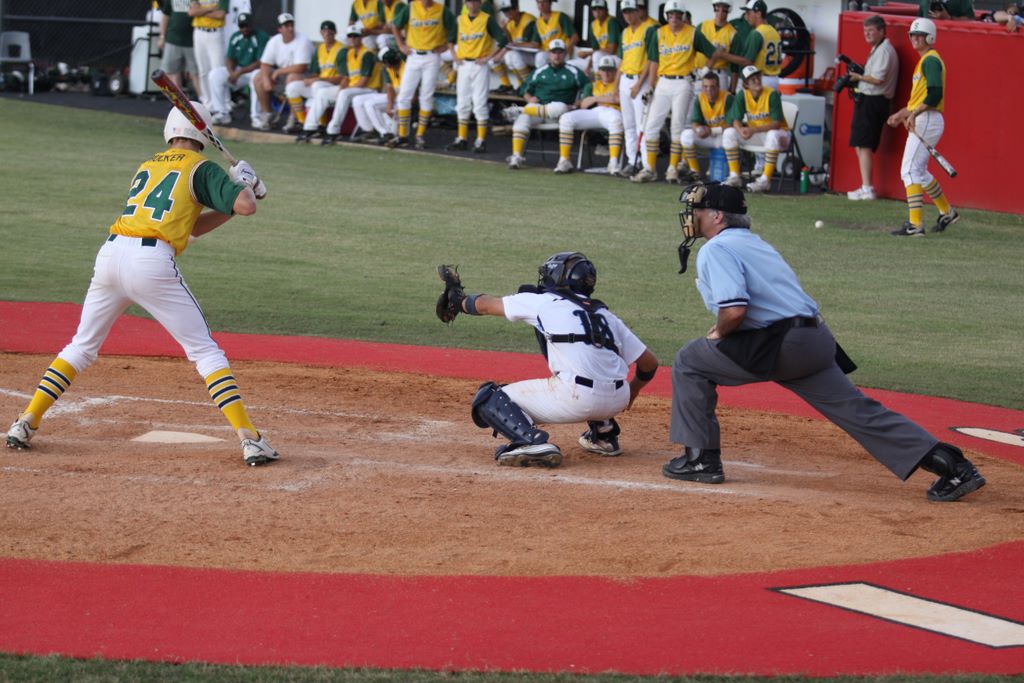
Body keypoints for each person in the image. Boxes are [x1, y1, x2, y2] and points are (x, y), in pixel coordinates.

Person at [664, 182, 986, 502]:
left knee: (691, 361)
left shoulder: (717, 249)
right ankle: (952, 466)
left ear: (718, 216)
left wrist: (720, 332)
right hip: (814, 340)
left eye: (698, 209)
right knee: (858, 411)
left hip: (780, 344)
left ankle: (701, 460)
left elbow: (734, 310)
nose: (692, 215)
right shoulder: (754, 243)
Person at [5, 103, 280, 468]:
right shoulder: (201, 168)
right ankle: (250, 439)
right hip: (151, 263)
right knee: (205, 352)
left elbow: (191, 228)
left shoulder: (149, 165)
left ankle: (26, 421)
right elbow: (246, 207)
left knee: (81, 346)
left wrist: (238, 193)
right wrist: (243, 186)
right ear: (204, 133)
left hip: (110, 255)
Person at [446, 252, 659, 467]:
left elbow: (484, 305)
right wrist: (632, 392)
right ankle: (605, 434)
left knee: (488, 399)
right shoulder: (606, 315)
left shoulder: (543, 301)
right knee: (592, 361)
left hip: (577, 399)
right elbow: (649, 363)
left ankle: (531, 442)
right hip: (618, 399)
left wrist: (457, 300)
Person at [631, 0, 717, 184]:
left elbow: (713, 53)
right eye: (671, 15)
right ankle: (650, 168)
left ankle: (672, 168)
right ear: (666, 16)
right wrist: (651, 86)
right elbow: (654, 61)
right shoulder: (658, 33)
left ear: (683, 16)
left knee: (677, 126)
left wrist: (703, 71)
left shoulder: (693, 32)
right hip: (663, 81)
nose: (674, 18)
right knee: (651, 125)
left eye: (678, 15)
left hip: (683, 81)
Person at [886, 18, 959, 236]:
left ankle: (915, 225)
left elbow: (935, 94)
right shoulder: (926, 60)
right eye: (913, 35)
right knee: (919, 171)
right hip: (926, 118)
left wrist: (914, 114)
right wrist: (902, 114)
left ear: (930, 37)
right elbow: (920, 99)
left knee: (909, 171)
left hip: (927, 119)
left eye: (920, 35)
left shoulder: (930, 60)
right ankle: (947, 212)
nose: (915, 38)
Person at [504, 39, 589, 169]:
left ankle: (519, 109)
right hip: (539, 110)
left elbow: (588, 87)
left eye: (560, 52)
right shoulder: (540, 71)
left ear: (565, 54)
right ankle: (516, 156)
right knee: (523, 117)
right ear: (549, 54)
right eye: (554, 52)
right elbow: (524, 89)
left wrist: (579, 102)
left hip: (562, 113)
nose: (557, 55)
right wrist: (529, 98)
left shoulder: (574, 71)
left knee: (559, 106)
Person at [388, 0, 457, 150]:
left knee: (426, 96)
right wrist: (401, 45)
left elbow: (454, 28)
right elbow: (395, 25)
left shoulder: (441, 9)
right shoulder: (411, 7)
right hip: (413, 54)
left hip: (432, 55)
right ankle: (403, 135)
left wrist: (446, 45)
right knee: (404, 96)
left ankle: (420, 135)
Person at [302, 23, 383, 144]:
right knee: (322, 92)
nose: (353, 39)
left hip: (368, 89)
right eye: (350, 36)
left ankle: (333, 131)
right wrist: (341, 87)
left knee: (344, 94)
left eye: (356, 36)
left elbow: (363, 82)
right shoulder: (349, 53)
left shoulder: (367, 53)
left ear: (361, 37)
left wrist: (344, 89)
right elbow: (346, 77)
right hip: (353, 88)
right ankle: (309, 128)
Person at [846, 15, 899, 201]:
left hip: (874, 101)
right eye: (865, 31)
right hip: (868, 100)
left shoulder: (884, 50)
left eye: (871, 31)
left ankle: (868, 188)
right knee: (860, 144)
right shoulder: (878, 48)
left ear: (882, 31)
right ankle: (865, 186)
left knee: (864, 145)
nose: (867, 34)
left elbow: (878, 79)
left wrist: (858, 77)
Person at [446, 0, 508, 153]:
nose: (472, 4)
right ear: (465, 3)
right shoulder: (460, 19)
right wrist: (454, 56)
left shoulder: (487, 19)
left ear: (479, 3)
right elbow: (450, 40)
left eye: (475, 1)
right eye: (469, 1)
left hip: (479, 64)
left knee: (479, 102)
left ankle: (481, 140)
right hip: (464, 64)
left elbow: (503, 39)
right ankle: (461, 138)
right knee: (462, 102)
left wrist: (489, 57)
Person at [721, 65, 789, 192]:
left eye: (758, 77)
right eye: (753, 79)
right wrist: (741, 130)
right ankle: (735, 176)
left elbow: (777, 124)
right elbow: (735, 120)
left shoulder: (772, 94)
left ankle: (765, 180)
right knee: (729, 133)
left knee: (772, 134)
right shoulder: (742, 95)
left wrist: (752, 130)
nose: (757, 81)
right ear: (746, 84)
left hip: (781, 136)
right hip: (759, 135)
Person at [554, 55, 624, 174]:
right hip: (594, 112)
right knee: (566, 118)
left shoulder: (620, 84)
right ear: (599, 71)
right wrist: (607, 99)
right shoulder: (592, 85)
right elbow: (584, 104)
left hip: (613, 112)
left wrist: (595, 99)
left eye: (610, 70)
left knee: (616, 121)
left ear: (615, 71)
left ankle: (613, 162)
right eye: (603, 70)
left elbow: (619, 100)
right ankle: (564, 160)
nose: (606, 73)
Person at [251, 13, 314, 131]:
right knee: (258, 77)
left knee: (292, 77)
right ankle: (268, 114)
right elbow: (265, 64)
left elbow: (301, 67)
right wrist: (266, 80)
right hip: (282, 76)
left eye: (291, 25)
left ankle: (294, 117)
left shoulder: (302, 41)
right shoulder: (274, 41)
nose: (290, 28)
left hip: (304, 77)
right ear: (279, 29)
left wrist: (278, 72)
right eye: (286, 26)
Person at [206, 12, 269, 126]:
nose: (244, 29)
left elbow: (260, 62)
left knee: (256, 77)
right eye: (242, 26)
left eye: (247, 26)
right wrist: (232, 73)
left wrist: (238, 73)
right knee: (215, 74)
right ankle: (222, 112)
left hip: (254, 71)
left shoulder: (261, 36)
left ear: (252, 25)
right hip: (238, 71)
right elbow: (229, 58)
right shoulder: (236, 36)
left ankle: (257, 116)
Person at [290, 20, 347, 142]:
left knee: (317, 86)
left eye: (330, 32)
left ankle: (321, 124)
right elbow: (315, 72)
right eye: (324, 31)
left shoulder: (341, 50)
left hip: (333, 85)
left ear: (335, 33)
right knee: (293, 87)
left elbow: (342, 78)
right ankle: (302, 121)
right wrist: (306, 79)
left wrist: (317, 79)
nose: (327, 34)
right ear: (321, 33)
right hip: (321, 85)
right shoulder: (320, 48)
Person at [616, 0, 654, 177]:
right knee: (628, 124)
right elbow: (623, 60)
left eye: (631, 11)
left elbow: (651, 59)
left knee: (642, 124)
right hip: (625, 79)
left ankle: (646, 165)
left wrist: (639, 84)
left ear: (638, 11)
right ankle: (632, 161)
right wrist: (616, 85)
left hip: (640, 80)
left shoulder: (648, 29)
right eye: (625, 12)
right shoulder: (624, 32)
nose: (628, 15)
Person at [715, 0, 782, 92]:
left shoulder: (757, 33)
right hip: (775, 80)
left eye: (749, 12)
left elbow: (747, 61)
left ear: (758, 14)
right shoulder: (774, 31)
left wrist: (723, 54)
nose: (746, 16)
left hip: (760, 81)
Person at [680, 71, 734, 181]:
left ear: (718, 87)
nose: (709, 90)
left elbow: (731, 124)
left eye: (712, 87)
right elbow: (695, 122)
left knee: (730, 133)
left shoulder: (728, 98)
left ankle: (734, 175)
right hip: (707, 136)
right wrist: (699, 129)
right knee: (686, 135)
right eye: (705, 87)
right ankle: (695, 173)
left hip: (722, 138)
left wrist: (712, 131)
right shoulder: (700, 98)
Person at [350, 46, 406, 145]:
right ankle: (368, 131)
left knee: (371, 104)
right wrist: (390, 104)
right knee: (358, 100)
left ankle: (386, 133)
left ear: (389, 62)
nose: (382, 65)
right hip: (394, 98)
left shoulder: (406, 68)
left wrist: (391, 106)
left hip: (403, 101)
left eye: (384, 63)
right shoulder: (389, 69)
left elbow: (412, 96)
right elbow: (390, 88)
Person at [522, 0, 587, 71]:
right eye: (538, 2)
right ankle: (541, 76)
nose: (541, 5)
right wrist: (516, 44)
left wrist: (567, 51)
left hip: (562, 51)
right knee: (539, 56)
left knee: (542, 57)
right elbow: (535, 43)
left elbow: (575, 37)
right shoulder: (538, 22)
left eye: (544, 2)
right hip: (548, 53)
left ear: (550, 3)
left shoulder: (560, 16)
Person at [189, 0, 228, 110]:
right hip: (199, 32)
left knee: (218, 70)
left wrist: (200, 11)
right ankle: (208, 103)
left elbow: (220, 14)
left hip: (215, 33)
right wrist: (211, 9)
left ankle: (224, 104)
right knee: (203, 71)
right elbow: (192, 12)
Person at [159, 0, 201, 102]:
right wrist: (162, 36)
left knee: (196, 73)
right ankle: (177, 101)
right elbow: (165, 16)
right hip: (173, 39)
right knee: (170, 72)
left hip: (192, 41)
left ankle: (204, 100)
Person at [694, 1, 740, 93]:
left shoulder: (733, 34)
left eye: (724, 8)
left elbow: (735, 67)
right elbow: (692, 49)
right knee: (698, 101)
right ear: (714, 8)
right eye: (718, 7)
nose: (720, 11)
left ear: (728, 10)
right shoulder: (702, 26)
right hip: (700, 72)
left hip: (719, 74)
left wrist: (733, 89)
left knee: (721, 101)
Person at [495, 0, 538, 90]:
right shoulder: (510, 23)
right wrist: (505, 30)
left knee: (513, 56)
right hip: (521, 52)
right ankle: (510, 85)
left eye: (508, 10)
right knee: (498, 58)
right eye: (504, 11)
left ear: (516, 8)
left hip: (534, 54)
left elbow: (527, 44)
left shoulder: (529, 20)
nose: (506, 14)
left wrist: (502, 52)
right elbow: (510, 43)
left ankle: (528, 86)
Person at [575, 0, 621, 71]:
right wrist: (588, 68)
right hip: (603, 56)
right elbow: (595, 50)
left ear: (606, 10)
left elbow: (612, 50)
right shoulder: (593, 25)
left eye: (600, 8)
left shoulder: (611, 22)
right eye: (594, 9)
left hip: (617, 57)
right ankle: (596, 75)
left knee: (597, 55)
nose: (597, 11)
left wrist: (587, 53)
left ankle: (598, 77)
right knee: (575, 64)